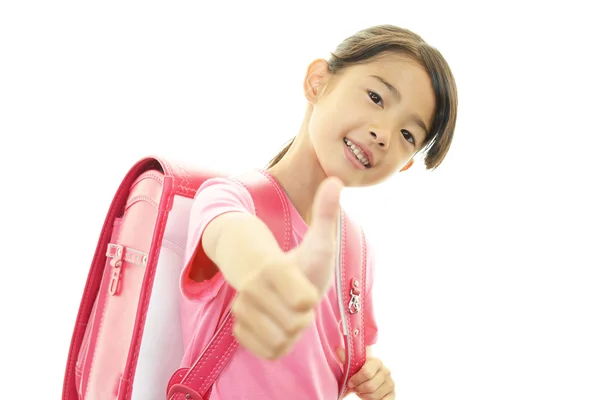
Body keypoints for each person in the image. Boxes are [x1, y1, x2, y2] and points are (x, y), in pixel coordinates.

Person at [178, 24, 458, 400]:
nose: (384, 135)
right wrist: (266, 275)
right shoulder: (231, 198)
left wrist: (373, 381)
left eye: (408, 135)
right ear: (317, 82)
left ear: (405, 164)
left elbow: (334, 367)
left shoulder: (357, 253)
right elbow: (234, 236)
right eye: (376, 97)